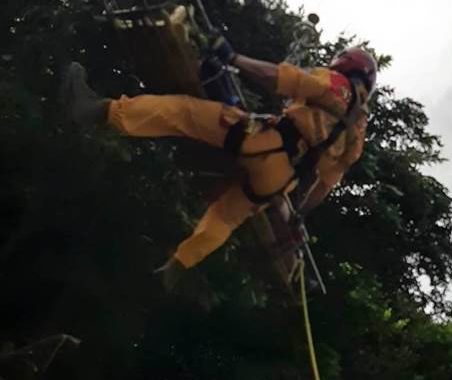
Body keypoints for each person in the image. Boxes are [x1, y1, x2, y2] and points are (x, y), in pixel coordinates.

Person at [63, 41, 377, 288]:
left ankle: (101, 110)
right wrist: (298, 215)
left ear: (346, 64)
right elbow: (323, 186)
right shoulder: (357, 132)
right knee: (226, 216)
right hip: (279, 183)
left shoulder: (337, 84)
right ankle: (178, 264)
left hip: (266, 143)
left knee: (184, 113)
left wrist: (233, 57)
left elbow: (279, 78)